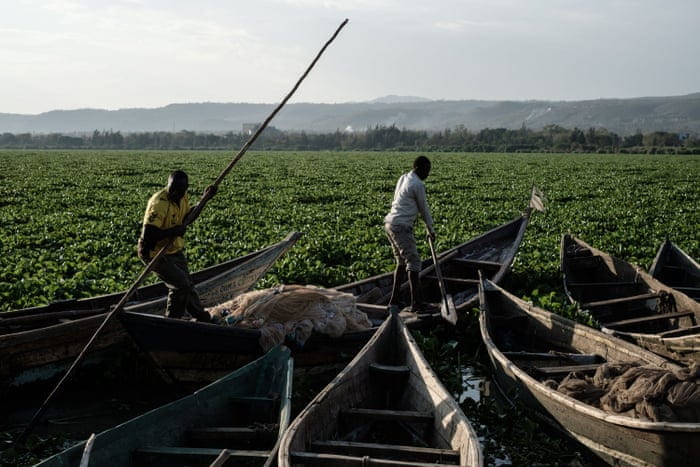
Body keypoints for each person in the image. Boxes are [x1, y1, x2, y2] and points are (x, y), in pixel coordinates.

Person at [137, 170, 217, 322]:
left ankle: (201, 317)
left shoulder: (183, 197)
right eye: (171, 189)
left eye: (179, 191)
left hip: (173, 249)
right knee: (181, 285)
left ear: (184, 189)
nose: (174, 193)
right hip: (154, 251)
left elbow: (188, 218)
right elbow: (148, 235)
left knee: (188, 286)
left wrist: (204, 200)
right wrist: (174, 231)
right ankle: (172, 321)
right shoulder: (159, 203)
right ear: (169, 186)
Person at [384, 156, 436, 314]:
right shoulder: (417, 184)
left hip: (390, 224)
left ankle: (394, 300)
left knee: (401, 262)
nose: (428, 174)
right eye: (427, 170)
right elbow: (423, 208)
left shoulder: (403, 178)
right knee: (413, 262)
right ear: (419, 168)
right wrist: (431, 229)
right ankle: (417, 304)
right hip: (401, 226)